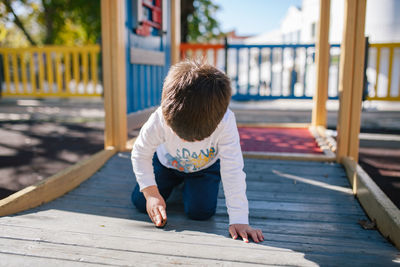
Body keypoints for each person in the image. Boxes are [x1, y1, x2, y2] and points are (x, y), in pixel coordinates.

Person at [131, 60, 264, 243]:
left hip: (204, 168)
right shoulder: (160, 118)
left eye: (196, 139)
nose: (186, 142)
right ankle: (172, 185)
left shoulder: (225, 122)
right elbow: (140, 153)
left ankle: (190, 186)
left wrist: (239, 219)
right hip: (166, 164)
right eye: (179, 135)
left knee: (200, 212)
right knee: (140, 202)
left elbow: (232, 170)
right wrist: (151, 193)